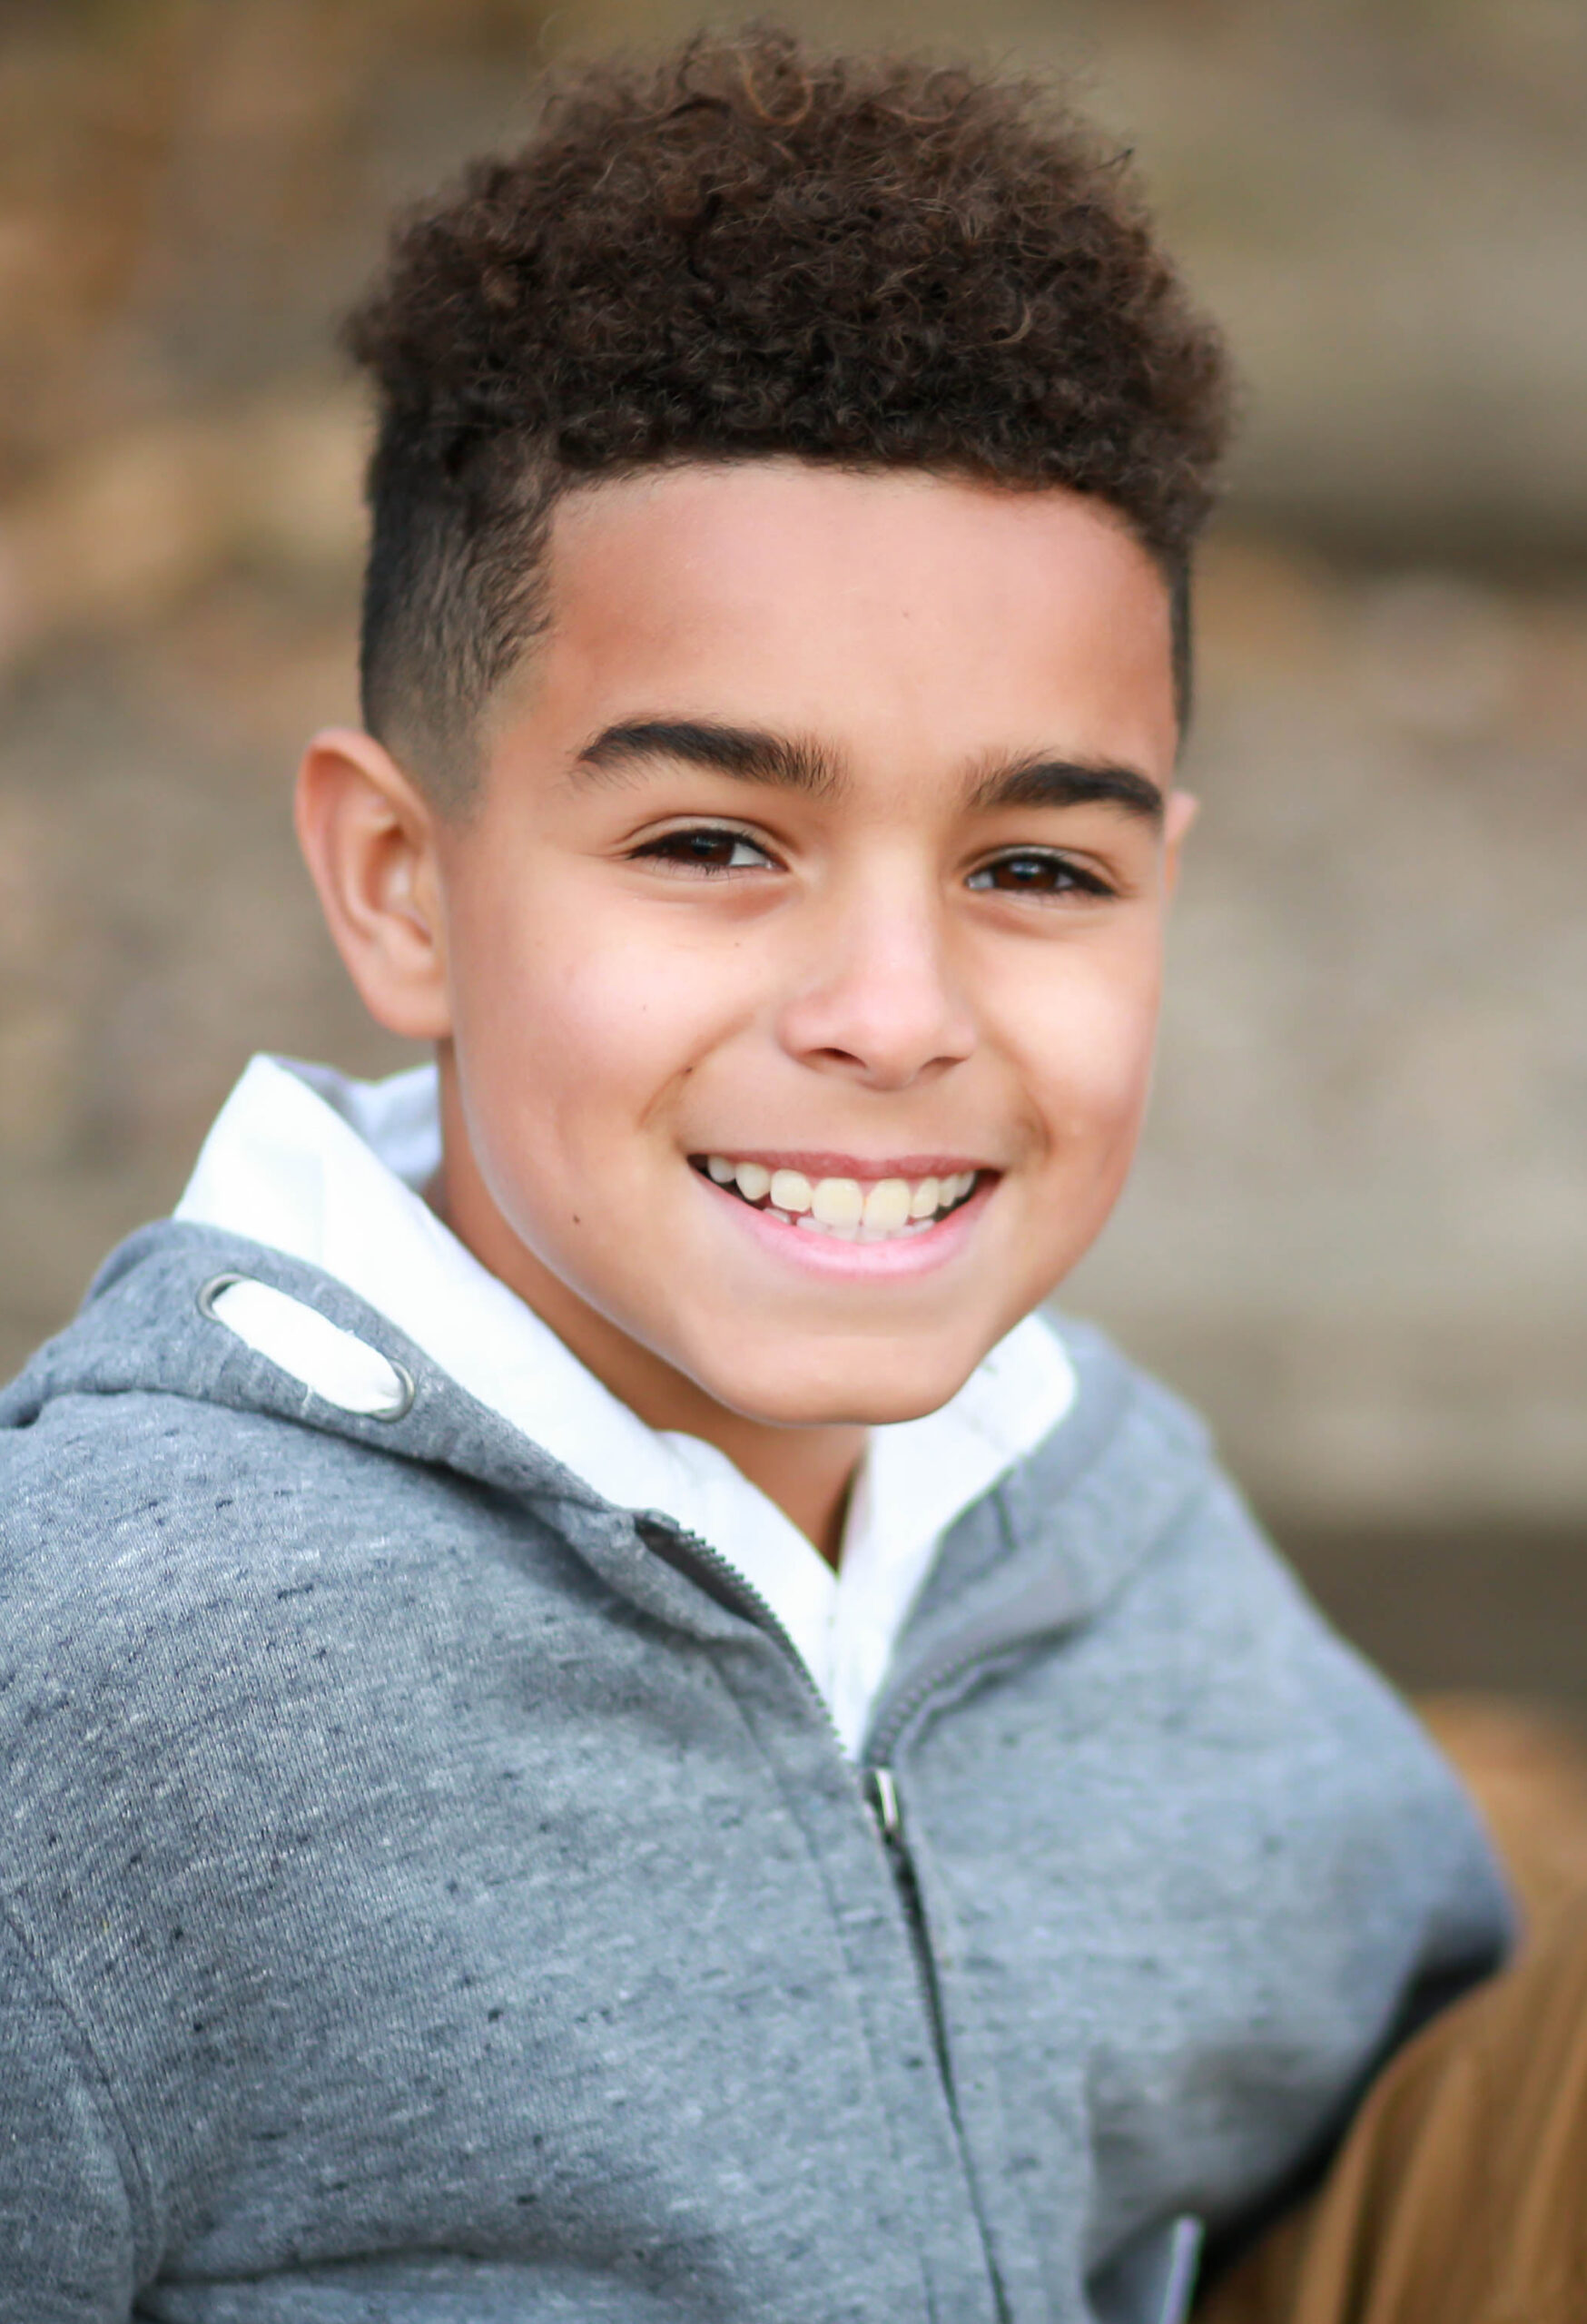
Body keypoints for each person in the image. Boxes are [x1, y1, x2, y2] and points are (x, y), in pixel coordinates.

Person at [0, 27, 1516, 2323]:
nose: (893, 1011)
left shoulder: (1115, 1517)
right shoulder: (96, 1688)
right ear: (402, 884)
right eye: (713, 842)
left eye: (1036, 865)